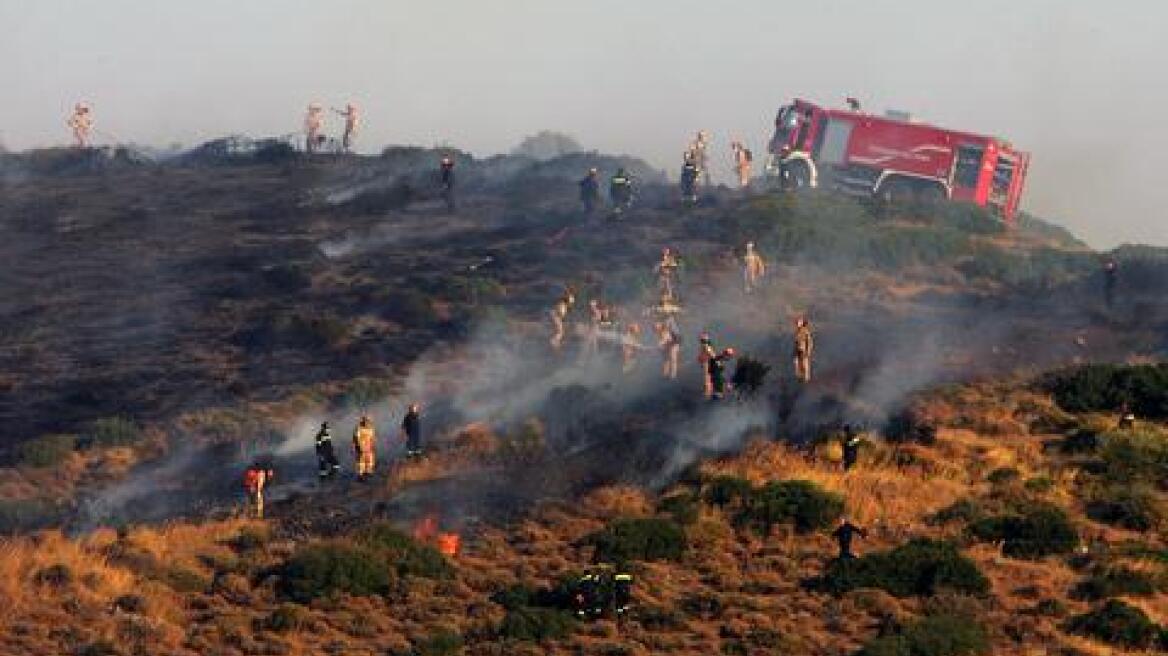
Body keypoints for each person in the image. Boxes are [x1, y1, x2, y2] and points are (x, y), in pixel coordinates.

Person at [549, 287, 575, 352]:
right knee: (560, 331)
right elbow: (560, 313)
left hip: (556, 316)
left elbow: (564, 312)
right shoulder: (563, 304)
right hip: (556, 316)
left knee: (560, 331)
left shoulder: (564, 303)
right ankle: (553, 342)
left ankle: (555, 342)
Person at [352, 415, 376, 480]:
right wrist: (355, 447)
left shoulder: (370, 428)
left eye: (368, 421)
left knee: (370, 459)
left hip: (368, 447)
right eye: (366, 421)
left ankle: (368, 471)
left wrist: (372, 445)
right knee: (361, 461)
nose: (367, 423)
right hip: (361, 447)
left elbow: (372, 438)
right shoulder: (359, 429)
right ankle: (360, 475)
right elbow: (355, 439)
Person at [793, 316, 814, 383]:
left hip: (803, 350)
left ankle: (806, 378)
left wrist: (808, 351)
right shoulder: (797, 331)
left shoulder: (805, 331)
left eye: (799, 322)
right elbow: (796, 342)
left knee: (804, 363)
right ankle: (799, 377)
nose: (797, 323)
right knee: (796, 362)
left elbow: (809, 342)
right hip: (798, 349)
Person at [697, 333, 716, 399]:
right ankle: (708, 393)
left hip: (707, 363)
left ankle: (707, 395)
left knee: (707, 380)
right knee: (708, 379)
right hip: (706, 363)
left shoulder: (706, 346)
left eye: (701, 339)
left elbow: (712, 355)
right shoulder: (704, 346)